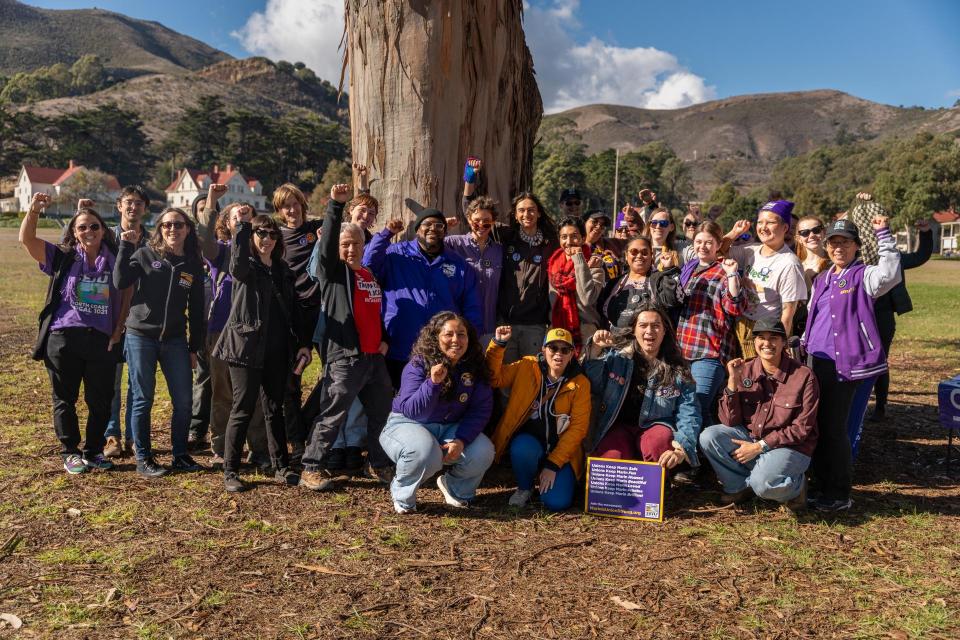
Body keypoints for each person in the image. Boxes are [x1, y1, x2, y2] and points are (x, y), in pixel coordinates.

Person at [299, 184, 394, 489]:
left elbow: (374, 313)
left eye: (355, 243)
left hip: (373, 359)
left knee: (381, 414)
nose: (350, 248)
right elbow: (326, 247)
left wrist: (384, 341)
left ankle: (378, 464)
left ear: (364, 245)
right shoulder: (334, 275)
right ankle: (311, 467)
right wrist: (334, 206)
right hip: (345, 359)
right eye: (344, 244)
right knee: (331, 415)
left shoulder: (368, 276)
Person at [803, 216, 901, 511]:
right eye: (833, 242)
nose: (838, 247)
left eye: (845, 242)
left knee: (835, 428)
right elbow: (813, 315)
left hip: (843, 365)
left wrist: (883, 233)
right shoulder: (822, 278)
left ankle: (839, 493)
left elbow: (891, 273)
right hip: (816, 361)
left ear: (856, 246)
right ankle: (821, 486)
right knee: (819, 426)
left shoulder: (865, 276)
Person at [21, 194, 123, 474]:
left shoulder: (115, 260)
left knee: (101, 400)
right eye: (82, 227)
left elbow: (127, 293)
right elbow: (28, 240)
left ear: (103, 230)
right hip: (64, 337)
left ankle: (92, 451)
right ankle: (70, 451)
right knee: (65, 398)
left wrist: (118, 329)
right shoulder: (63, 257)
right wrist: (33, 211)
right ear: (74, 232)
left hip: (102, 339)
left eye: (94, 226)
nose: (88, 231)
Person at [213, 215, 313, 492]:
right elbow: (236, 263)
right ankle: (231, 470)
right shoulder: (246, 267)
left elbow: (294, 311)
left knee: (274, 409)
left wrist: (303, 343)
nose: (266, 239)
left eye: (271, 234)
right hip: (245, 347)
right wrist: (243, 227)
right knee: (242, 408)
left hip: (277, 349)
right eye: (260, 233)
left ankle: (280, 466)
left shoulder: (283, 270)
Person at [114, 207, 206, 477]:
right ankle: (143, 457)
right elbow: (120, 281)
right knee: (143, 398)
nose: (172, 230)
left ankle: (180, 454)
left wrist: (193, 348)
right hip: (141, 336)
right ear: (160, 229)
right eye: (166, 225)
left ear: (187, 229)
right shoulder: (145, 254)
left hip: (175, 340)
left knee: (184, 401)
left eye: (178, 224)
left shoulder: (192, 264)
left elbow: (198, 308)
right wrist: (125, 246)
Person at [378, 312, 495, 513]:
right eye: (448, 334)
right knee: (425, 453)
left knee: (483, 451)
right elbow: (413, 411)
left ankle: (456, 489)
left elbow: (480, 410)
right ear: (436, 337)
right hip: (408, 424)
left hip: (450, 427)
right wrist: (432, 384)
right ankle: (403, 496)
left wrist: (461, 440)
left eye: (461, 334)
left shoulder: (474, 367)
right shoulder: (418, 364)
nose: (456, 340)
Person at [699, 318, 819, 511]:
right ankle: (740, 486)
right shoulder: (745, 369)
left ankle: (796, 488)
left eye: (773, 338)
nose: (767, 343)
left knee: (764, 485)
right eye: (761, 338)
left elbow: (802, 429)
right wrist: (732, 382)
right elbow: (729, 420)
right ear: (754, 343)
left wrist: (759, 447)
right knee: (709, 436)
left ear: (783, 343)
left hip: (790, 447)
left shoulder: (803, 376)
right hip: (752, 438)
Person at [363, 208, 481, 387]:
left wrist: (469, 341)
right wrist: (386, 234)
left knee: (435, 401)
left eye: (439, 225)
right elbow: (367, 264)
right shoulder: (396, 254)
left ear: (445, 231)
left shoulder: (458, 264)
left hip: (441, 350)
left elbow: (472, 307)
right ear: (417, 229)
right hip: (398, 346)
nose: (433, 228)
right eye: (427, 224)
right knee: (395, 401)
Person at [195, 186, 270, 468]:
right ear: (226, 224)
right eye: (236, 216)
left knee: (256, 394)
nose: (242, 218)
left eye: (248, 215)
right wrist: (212, 202)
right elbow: (202, 239)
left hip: (253, 332)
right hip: (220, 331)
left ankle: (259, 449)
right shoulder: (221, 251)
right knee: (223, 392)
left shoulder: (261, 253)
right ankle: (221, 448)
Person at [583, 305, 701, 474]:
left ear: (664, 331)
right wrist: (595, 350)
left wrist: (682, 448)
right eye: (643, 325)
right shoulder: (617, 358)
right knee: (610, 460)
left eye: (655, 326)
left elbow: (689, 412)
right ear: (634, 330)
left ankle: (654, 490)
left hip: (655, 428)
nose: (649, 331)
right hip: (618, 427)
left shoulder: (679, 369)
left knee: (658, 445)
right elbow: (593, 385)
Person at [486, 327, 590, 511]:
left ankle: (550, 476)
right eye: (553, 348)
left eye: (565, 350)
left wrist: (553, 464)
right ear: (543, 350)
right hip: (531, 443)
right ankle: (525, 488)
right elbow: (495, 378)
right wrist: (498, 345)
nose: (558, 354)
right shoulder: (527, 366)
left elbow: (578, 429)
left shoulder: (580, 383)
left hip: (562, 452)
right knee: (521, 448)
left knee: (556, 502)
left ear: (572, 354)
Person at [676, 221, 745, 421]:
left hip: (710, 351)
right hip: (682, 349)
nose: (702, 247)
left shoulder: (724, 270)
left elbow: (735, 306)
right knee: (686, 410)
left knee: (698, 406)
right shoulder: (688, 269)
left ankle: (699, 450)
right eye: (698, 242)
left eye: (708, 242)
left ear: (717, 244)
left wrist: (732, 275)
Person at [275, 183, 321, 458]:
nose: (292, 210)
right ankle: (297, 440)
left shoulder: (316, 229)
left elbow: (351, 220)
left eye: (295, 204)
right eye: (285, 206)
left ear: (302, 204)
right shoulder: (278, 238)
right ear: (280, 211)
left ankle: (307, 419)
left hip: (323, 311)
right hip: (293, 315)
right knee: (291, 381)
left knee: (337, 376)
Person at [103, 185, 150, 459]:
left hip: (139, 320)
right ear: (119, 205)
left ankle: (133, 436)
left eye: (139, 203)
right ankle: (112, 436)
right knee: (112, 381)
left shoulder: (153, 241)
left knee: (136, 381)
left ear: (145, 208)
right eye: (128, 202)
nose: (133, 207)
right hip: (109, 317)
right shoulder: (107, 237)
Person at [736, 200, 807, 356]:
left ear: (785, 228)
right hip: (742, 324)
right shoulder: (751, 250)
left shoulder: (789, 263)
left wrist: (779, 344)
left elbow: (788, 311)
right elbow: (719, 250)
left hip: (766, 331)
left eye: (770, 222)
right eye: (760, 222)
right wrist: (735, 233)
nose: (763, 227)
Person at [497, 192, 559, 364]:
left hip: (535, 324)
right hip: (506, 323)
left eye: (531, 210)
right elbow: (476, 216)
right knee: (507, 380)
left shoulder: (551, 242)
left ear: (539, 213)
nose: (526, 215)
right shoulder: (506, 238)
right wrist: (469, 181)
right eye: (521, 210)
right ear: (515, 215)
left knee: (532, 377)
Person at [445, 159, 502, 343]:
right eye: (476, 220)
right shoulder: (455, 243)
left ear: (493, 222)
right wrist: (441, 229)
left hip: (490, 328)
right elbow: (426, 247)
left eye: (487, 221)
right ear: (468, 220)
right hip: (460, 330)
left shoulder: (499, 251)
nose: (481, 225)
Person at [186, 190, 220, 450]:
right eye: (201, 209)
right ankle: (197, 430)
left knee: (221, 380)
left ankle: (221, 430)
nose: (205, 213)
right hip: (199, 323)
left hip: (223, 324)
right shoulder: (189, 248)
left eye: (207, 209)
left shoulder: (222, 246)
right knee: (203, 378)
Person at [597, 236, 679, 329]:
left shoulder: (659, 279)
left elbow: (672, 300)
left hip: (647, 341)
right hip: (614, 340)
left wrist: (669, 269)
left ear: (651, 256)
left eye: (644, 253)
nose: (639, 256)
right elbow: (599, 314)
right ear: (626, 255)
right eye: (634, 252)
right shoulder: (613, 284)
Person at [548, 217, 605, 351]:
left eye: (574, 236)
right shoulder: (553, 266)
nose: (568, 242)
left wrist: (579, 261)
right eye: (564, 237)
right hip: (557, 331)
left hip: (585, 332)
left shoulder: (595, 266)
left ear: (583, 238)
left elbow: (587, 299)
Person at [583, 208, 625, 282]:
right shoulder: (576, 247)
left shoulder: (610, 244)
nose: (598, 226)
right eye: (594, 222)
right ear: (584, 223)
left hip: (613, 291)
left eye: (602, 225)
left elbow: (634, 241)